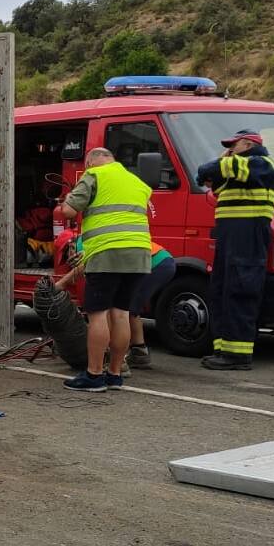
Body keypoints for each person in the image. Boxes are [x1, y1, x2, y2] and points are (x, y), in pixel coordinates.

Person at [58, 147, 152, 392]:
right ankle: (115, 374)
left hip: (107, 253)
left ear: (90, 162)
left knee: (97, 314)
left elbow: (68, 211)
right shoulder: (138, 181)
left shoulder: (94, 175)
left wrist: (67, 199)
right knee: (121, 313)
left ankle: (94, 374)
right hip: (140, 253)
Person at [196, 130, 274, 371]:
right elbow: (206, 179)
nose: (230, 149)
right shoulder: (239, 169)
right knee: (221, 289)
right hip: (231, 236)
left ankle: (238, 355)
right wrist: (215, 168)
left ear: (249, 144)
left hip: (248, 234)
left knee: (240, 290)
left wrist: (220, 162)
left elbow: (207, 169)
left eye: (234, 145)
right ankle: (223, 349)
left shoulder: (260, 163)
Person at [126, 241, 176, 369]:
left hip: (156, 264)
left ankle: (129, 356)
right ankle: (139, 352)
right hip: (164, 261)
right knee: (131, 308)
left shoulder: (82, 243)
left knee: (126, 308)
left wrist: (65, 280)